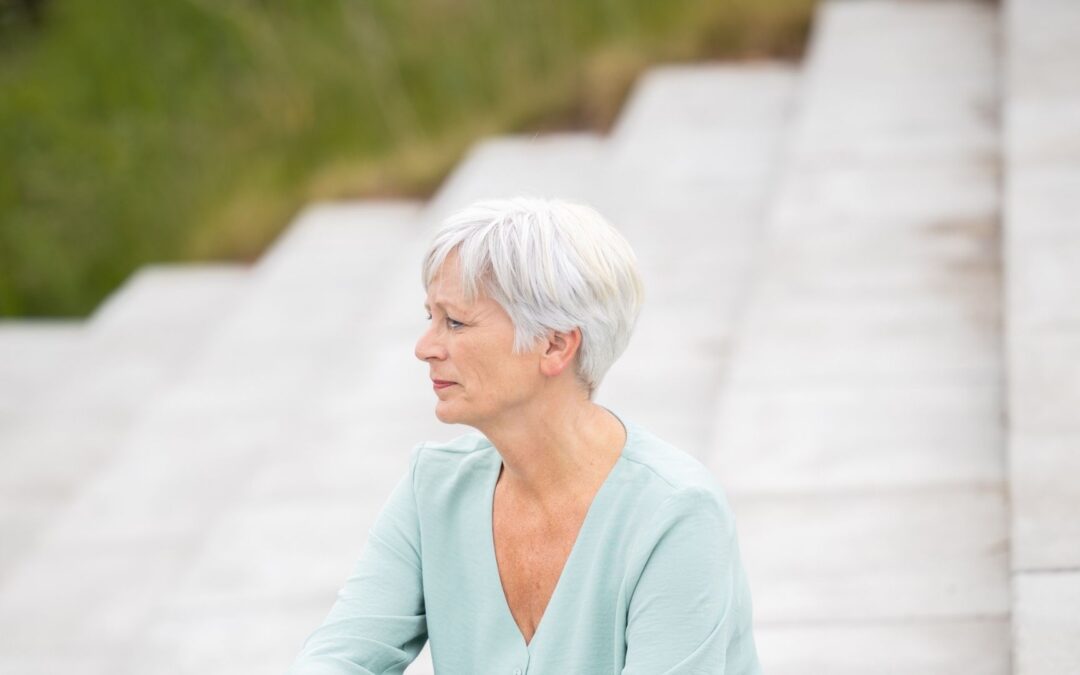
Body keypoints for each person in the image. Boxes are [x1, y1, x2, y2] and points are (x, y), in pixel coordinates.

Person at [288, 196, 761, 674]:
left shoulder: (676, 513)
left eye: (455, 321)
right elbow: (337, 657)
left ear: (555, 344)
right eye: (430, 317)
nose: (425, 347)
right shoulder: (431, 488)